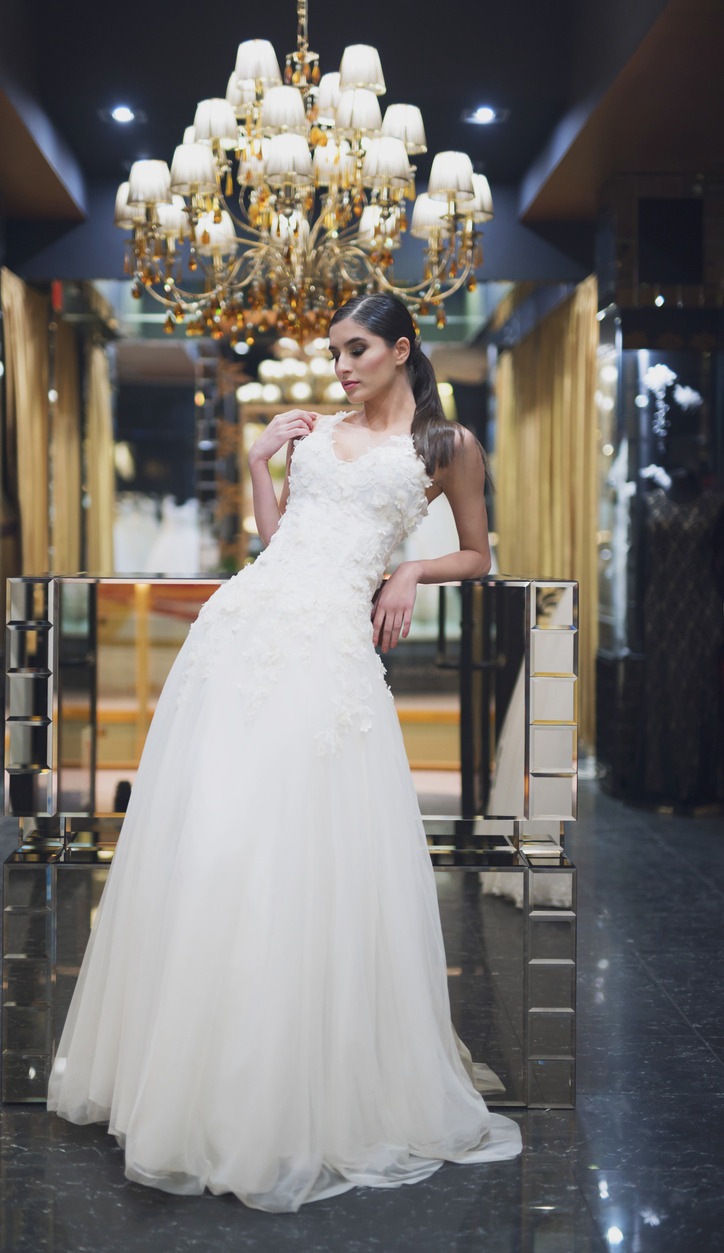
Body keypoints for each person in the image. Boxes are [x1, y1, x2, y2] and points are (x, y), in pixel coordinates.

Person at [48, 292, 522, 1212]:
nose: (340, 366)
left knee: (295, 858)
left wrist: (413, 567)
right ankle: (190, 1082)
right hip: (242, 632)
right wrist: (260, 459)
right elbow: (278, 540)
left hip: (331, 657)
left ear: (402, 348)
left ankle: (281, 1089)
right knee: (220, 843)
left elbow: (479, 553)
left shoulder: (447, 446)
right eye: (334, 351)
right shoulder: (314, 432)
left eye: (354, 350)